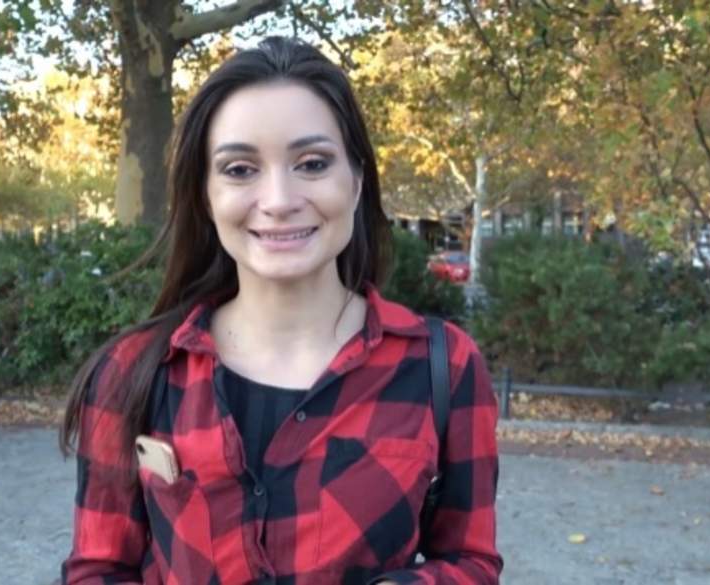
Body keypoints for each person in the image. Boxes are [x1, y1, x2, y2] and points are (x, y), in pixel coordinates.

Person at [59, 36, 502, 584]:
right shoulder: (133, 371)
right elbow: (98, 568)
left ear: (356, 181)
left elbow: (471, 561)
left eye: (312, 163)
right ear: (205, 195)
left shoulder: (444, 366)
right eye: (240, 169)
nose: (278, 200)